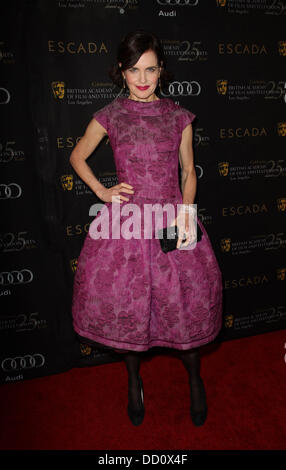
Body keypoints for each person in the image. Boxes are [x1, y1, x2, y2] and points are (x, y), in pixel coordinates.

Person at [69, 30, 223, 427]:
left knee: (184, 312)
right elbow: (77, 155)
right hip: (127, 226)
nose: (142, 78)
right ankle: (133, 381)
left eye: (150, 69)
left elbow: (189, 171)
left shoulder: (178, 116)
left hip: (172, 222)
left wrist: (185, 214)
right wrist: (103, 191)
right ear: (121, 72)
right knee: (130, 312)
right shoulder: (111, 115)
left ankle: (194, 379)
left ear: (161, 71)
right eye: (134, 70)